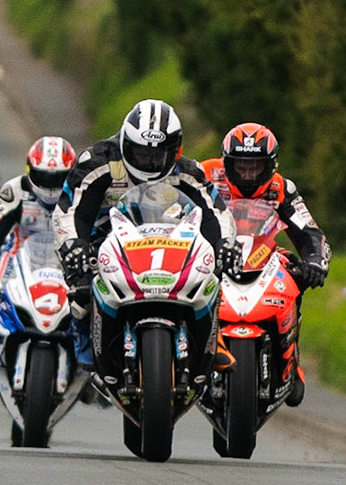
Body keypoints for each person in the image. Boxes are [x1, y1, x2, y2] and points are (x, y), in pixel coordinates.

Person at [54, 100, 239, 376]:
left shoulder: (189, 172)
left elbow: (217, 213)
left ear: (175, 152)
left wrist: (224, 244)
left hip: (171, 240)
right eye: (140, 154)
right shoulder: (99, 161)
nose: (149, 161)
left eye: (158, 155)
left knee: (213, 275)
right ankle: (84, 336)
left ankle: (214, 339)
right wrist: (73, 245)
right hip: (107, 238)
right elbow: (70, 210)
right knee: (80, 282)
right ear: (126, 143)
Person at [201, 122, 330, 406]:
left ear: (270, 166)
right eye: (241, 167)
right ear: (227, 163)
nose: (247, 174)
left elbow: (309, 230)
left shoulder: (282, 188)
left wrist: (316, 262)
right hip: (212, 253)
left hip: (263, 253)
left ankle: (289, 358)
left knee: (294, 272)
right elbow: (174, 207)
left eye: (255, 167)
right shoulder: (205, 174)